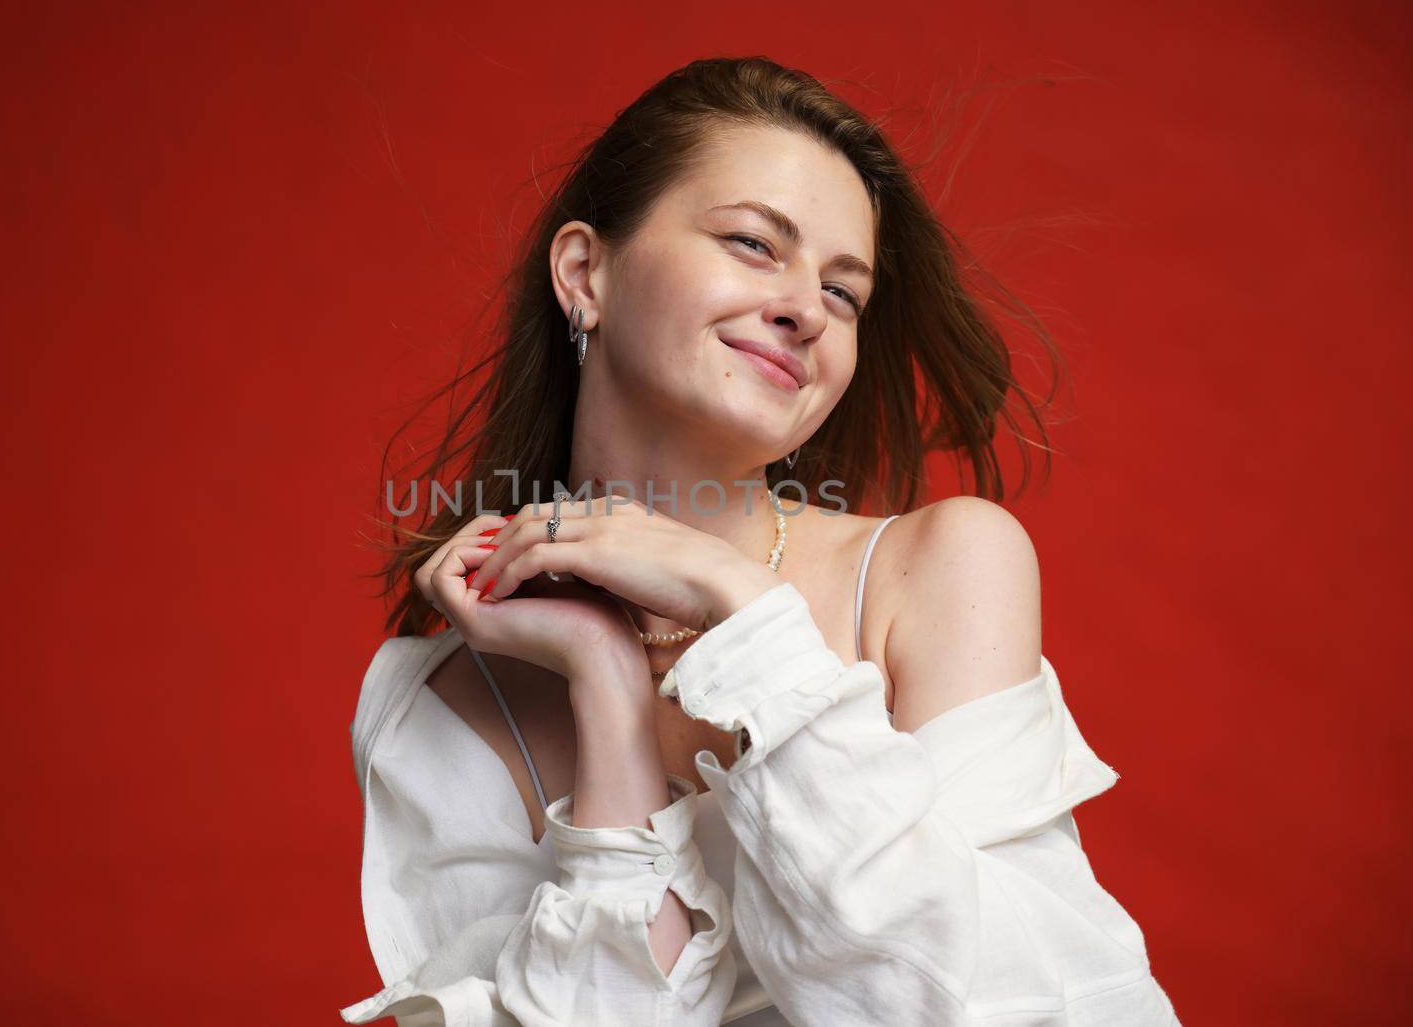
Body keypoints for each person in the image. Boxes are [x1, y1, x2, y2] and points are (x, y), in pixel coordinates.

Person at [342, 56, 1180, 1025]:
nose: (806, 308)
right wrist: (609, 694)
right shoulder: (445, 705)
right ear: (584, 272)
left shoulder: (939, 571)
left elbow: (1006, 1007)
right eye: (752, 242)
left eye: (845, 291)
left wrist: (738, 607)